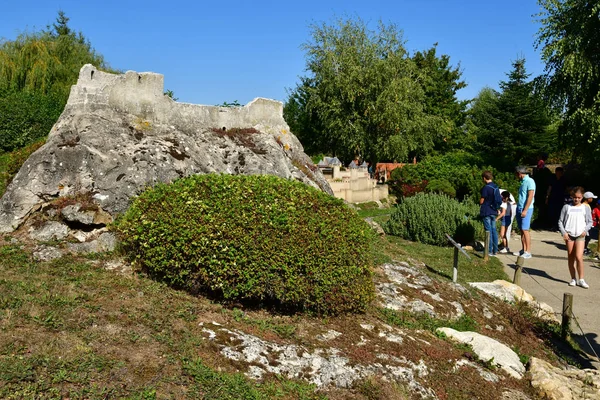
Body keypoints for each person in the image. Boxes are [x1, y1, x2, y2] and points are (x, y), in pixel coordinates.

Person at [558, 186, 593, 288]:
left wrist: (585, 230)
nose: (576, 199)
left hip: (580, 235)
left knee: (579, 257)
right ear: (571, 197)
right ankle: (573, 278)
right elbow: (560, 221)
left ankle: (581, 279)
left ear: (582, 197)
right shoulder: (566, 207)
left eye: (579, 197)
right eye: (574, 197)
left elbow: (590, 222)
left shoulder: (585, 208)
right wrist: (564, 233)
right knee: (571, 257)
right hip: (569, 235)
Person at [514, 166, 536, 259]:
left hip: (526, 209)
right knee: (521, 230)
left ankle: (528, 251)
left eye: (516, 174)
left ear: (519, 173)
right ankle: (523, 249)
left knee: (525, 230)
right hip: (520, 207)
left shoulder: (530, 181)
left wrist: (525, 209)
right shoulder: (522, 182)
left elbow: (530, 196)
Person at [480, 171, 500, 256]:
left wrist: (480, 201)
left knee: (488, 231)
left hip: (487, 210)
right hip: (494, 210)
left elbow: (482, 200)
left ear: (484, 178)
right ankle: (495, 250)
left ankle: (489, 250)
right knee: (494, 230)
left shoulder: (486, 188)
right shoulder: (496, 187)